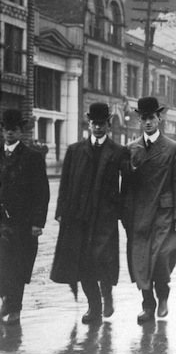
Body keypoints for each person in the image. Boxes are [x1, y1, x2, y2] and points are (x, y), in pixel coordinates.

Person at [50, 102, 130, 324]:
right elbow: (65, 183)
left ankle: (107, 294)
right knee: (83, 264)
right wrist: (60, 211)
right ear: (89, 123)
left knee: (102, 260)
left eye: (102, 123)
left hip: (104, 218)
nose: (98, 128)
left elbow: (128, 187)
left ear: (108, 124)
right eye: (94, 123)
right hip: (79, 217)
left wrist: (119, 211)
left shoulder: (118, 152)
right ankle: (94, 307)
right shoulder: (75, 150)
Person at [126, 97, 176, 324]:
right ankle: (148, 305)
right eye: (143, 118)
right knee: (141, 261)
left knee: (162, 257)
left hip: (164, 214)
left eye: (151, 117)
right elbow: (127, 186)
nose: (147, 122)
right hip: (139, 214)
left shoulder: (174, 149)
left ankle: (163, 294)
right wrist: (126, 215)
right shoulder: (131, 148)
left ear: (159, 118)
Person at [0, 109, 50, 325]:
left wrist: (38, 223)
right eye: (6, 129)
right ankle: (8, 301)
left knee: (17, 266)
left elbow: (42, 192)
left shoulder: (32, 158)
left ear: (21, 132)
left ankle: (14, 309)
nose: (10, 133)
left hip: (22, 222)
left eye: (14, 130)